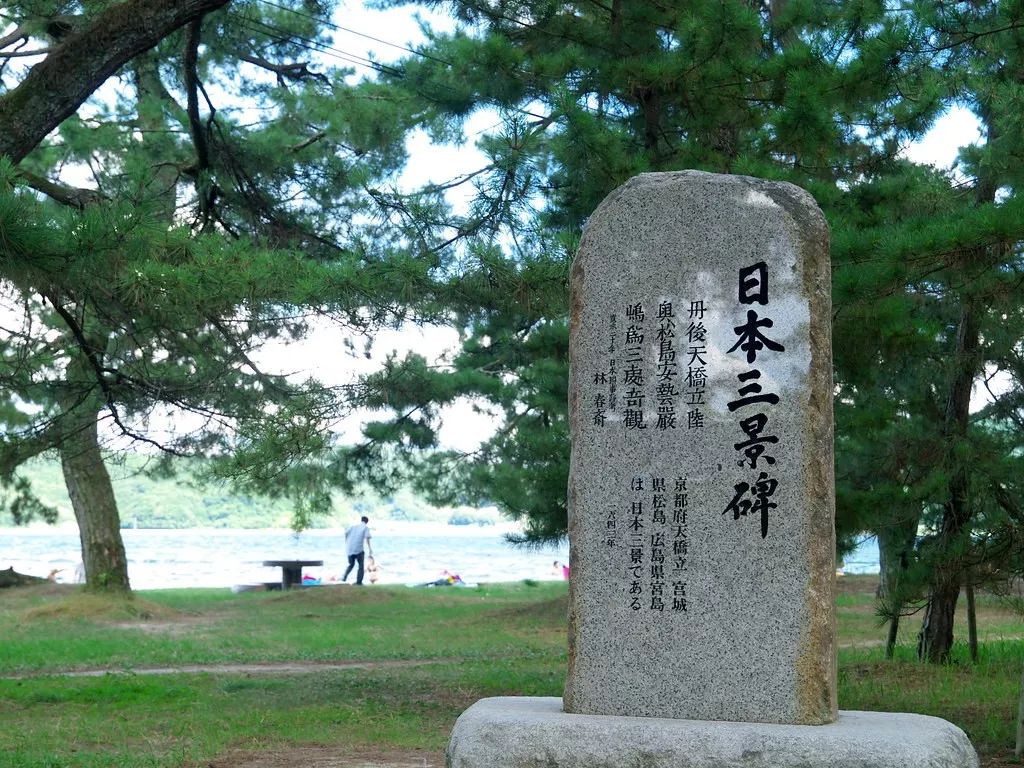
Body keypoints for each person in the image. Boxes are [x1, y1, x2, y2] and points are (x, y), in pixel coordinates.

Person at [342, 515, 373, 585]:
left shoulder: (353, 526)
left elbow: (346, 533)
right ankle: (359, 582)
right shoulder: (365, 527)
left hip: (349, 549)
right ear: (367, 522)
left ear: (361, 520)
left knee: (351, 564)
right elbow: (367, 538)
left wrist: (346, 542)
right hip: (358, 549)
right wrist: (370, 549)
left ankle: (344, 577)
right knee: (361, 566)